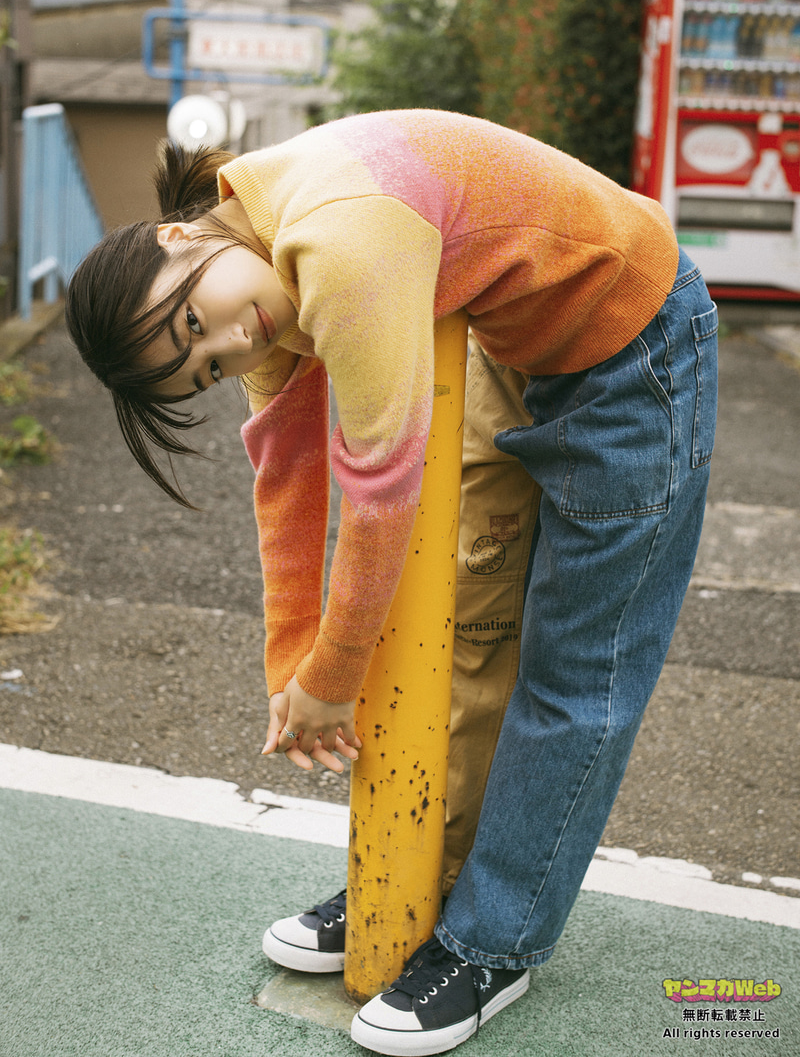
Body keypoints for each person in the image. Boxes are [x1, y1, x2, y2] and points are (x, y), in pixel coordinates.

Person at [65, 109, 717, 1057]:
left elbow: (379, 498)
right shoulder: (253, 253)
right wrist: (293, 665)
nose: (233, 346)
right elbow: (286, 471)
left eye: (194, 324)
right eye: (206, 369)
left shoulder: (341, 238)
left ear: (177, 236)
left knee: (576, 676)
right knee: (462, 638)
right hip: (510, 343)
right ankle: (413, 885)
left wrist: (333, 675)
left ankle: (496, 939)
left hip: (632, 347)